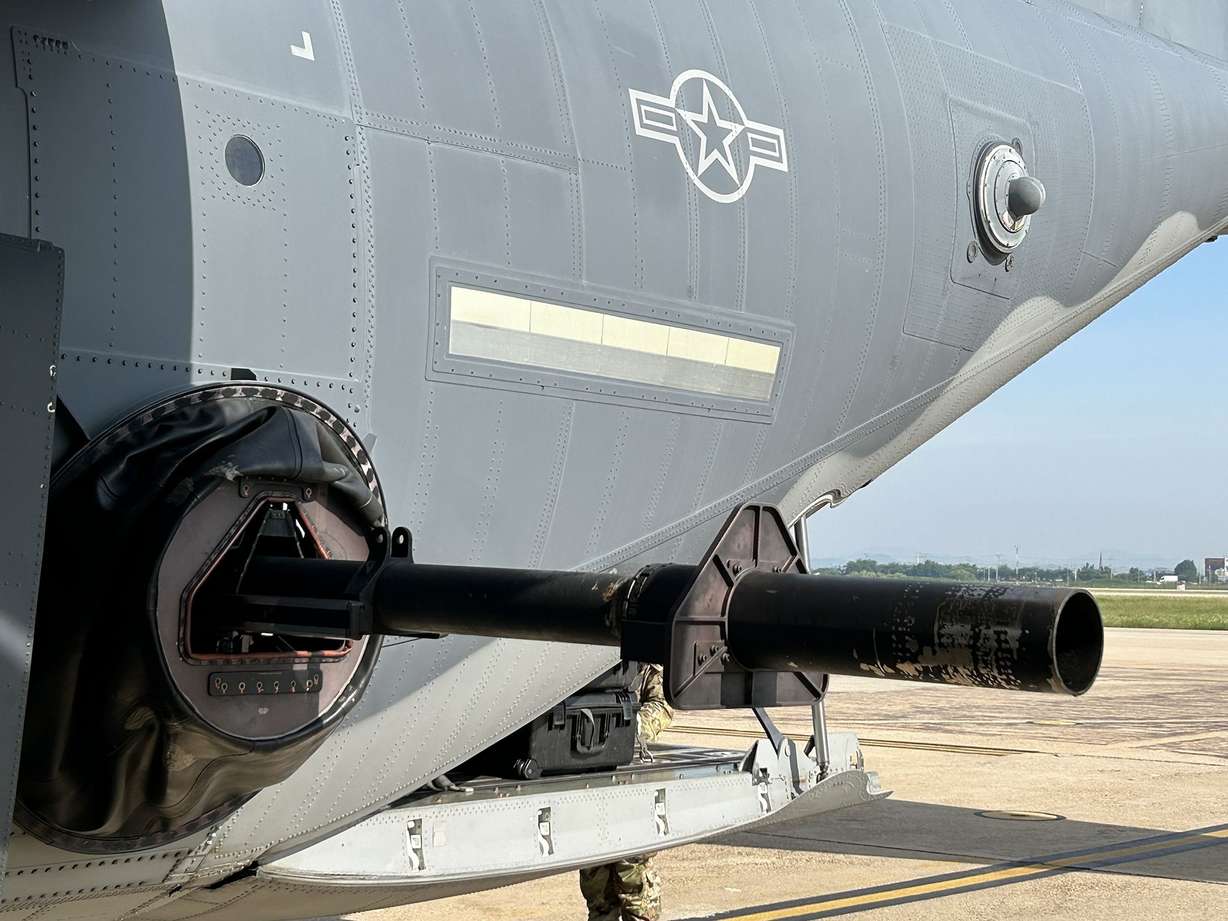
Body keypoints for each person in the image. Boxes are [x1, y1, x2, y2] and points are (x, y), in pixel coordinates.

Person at [578, 663, 674, 921]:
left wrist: (630, 726)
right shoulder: (589, 663)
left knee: (634, 878)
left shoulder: (646, 667)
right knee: (597, 883)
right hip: (591, 776)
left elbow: (663, 705)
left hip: (631, 780)